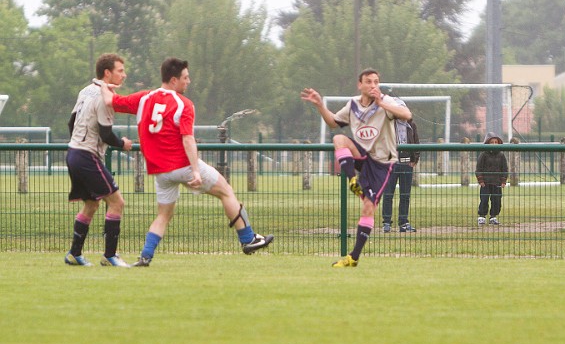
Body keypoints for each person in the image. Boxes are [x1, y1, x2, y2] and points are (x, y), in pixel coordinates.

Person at [102, 57, 273, 267]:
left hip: (160, 171)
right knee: (226, 191)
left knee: (163, 215)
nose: (189, 81)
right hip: (182, 165)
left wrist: (102, 84)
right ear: (174, 80)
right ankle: (248, 239)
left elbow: (112, 101)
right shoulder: (184, 104)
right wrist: (196, 171)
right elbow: (187, 138)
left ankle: (145, 257)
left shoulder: (144, 98)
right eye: (185, 77)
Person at [301, 68, 412, 267]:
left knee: (368, 207)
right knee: (339, 138)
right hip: (363, 155)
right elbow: (334, 122)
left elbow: (407, 114)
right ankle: (353, 180)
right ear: (359, 85)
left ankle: (353, 257)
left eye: (376, 81)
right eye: (368, 81)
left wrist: (381, 103)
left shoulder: (385, 102)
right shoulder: (352, 104)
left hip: (382, 163)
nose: (373, 85)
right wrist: (319, 105)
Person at [65, 53, 133, 267]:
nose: (124, 75)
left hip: (73, 153)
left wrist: (78, 143)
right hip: (86, 156)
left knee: (92, 204)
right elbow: (106, 135)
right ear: (107, 73)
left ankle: (74, 254)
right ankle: (110, 256)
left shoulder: (85, 90)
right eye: (120, 71)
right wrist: (123, 144)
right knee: (116, 202)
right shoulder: (106, 98)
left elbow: (71, 122)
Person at [382, 116, 420, 233]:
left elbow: (416, 142)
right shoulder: (388, 124)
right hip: (391, 164)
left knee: (405, 195)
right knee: (388, 194)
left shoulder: (411, 125)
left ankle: (403, 222)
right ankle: (387, 222)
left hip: (406, 164)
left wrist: (415, 159)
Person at [475, 132, 509, 226]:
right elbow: (479, 168)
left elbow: (505, 169)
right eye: (492, 142)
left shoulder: (501, 155)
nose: (494, 144)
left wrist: (503, 181)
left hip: (497, 182)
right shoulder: (483, 154)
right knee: (484, 199)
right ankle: (482, 216)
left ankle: (493, 217)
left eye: (496, 142)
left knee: (496, 200)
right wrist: (480, 180)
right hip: (485, 183)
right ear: (487, 143)